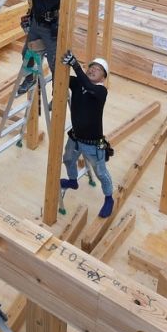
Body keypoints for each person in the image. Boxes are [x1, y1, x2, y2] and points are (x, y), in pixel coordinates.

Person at [59, 51, 115, 218]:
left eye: (97, 69)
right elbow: (63, 78)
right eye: (91, 67)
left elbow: (88, 87)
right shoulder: (78, 83)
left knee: (101, 173)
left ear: (103, 77)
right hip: (75, 137)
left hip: (92, 144)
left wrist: (75, 65)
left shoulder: (100, 91)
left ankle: (109, 198)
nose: (92, 70)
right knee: (68, 159)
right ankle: (73, 181)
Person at [14, 0, 68, 94]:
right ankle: (30, 78)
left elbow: (45, 5)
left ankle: (58, 93)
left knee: (54, 62)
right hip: (36, 24)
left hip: (50, 29)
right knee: (27, 53)